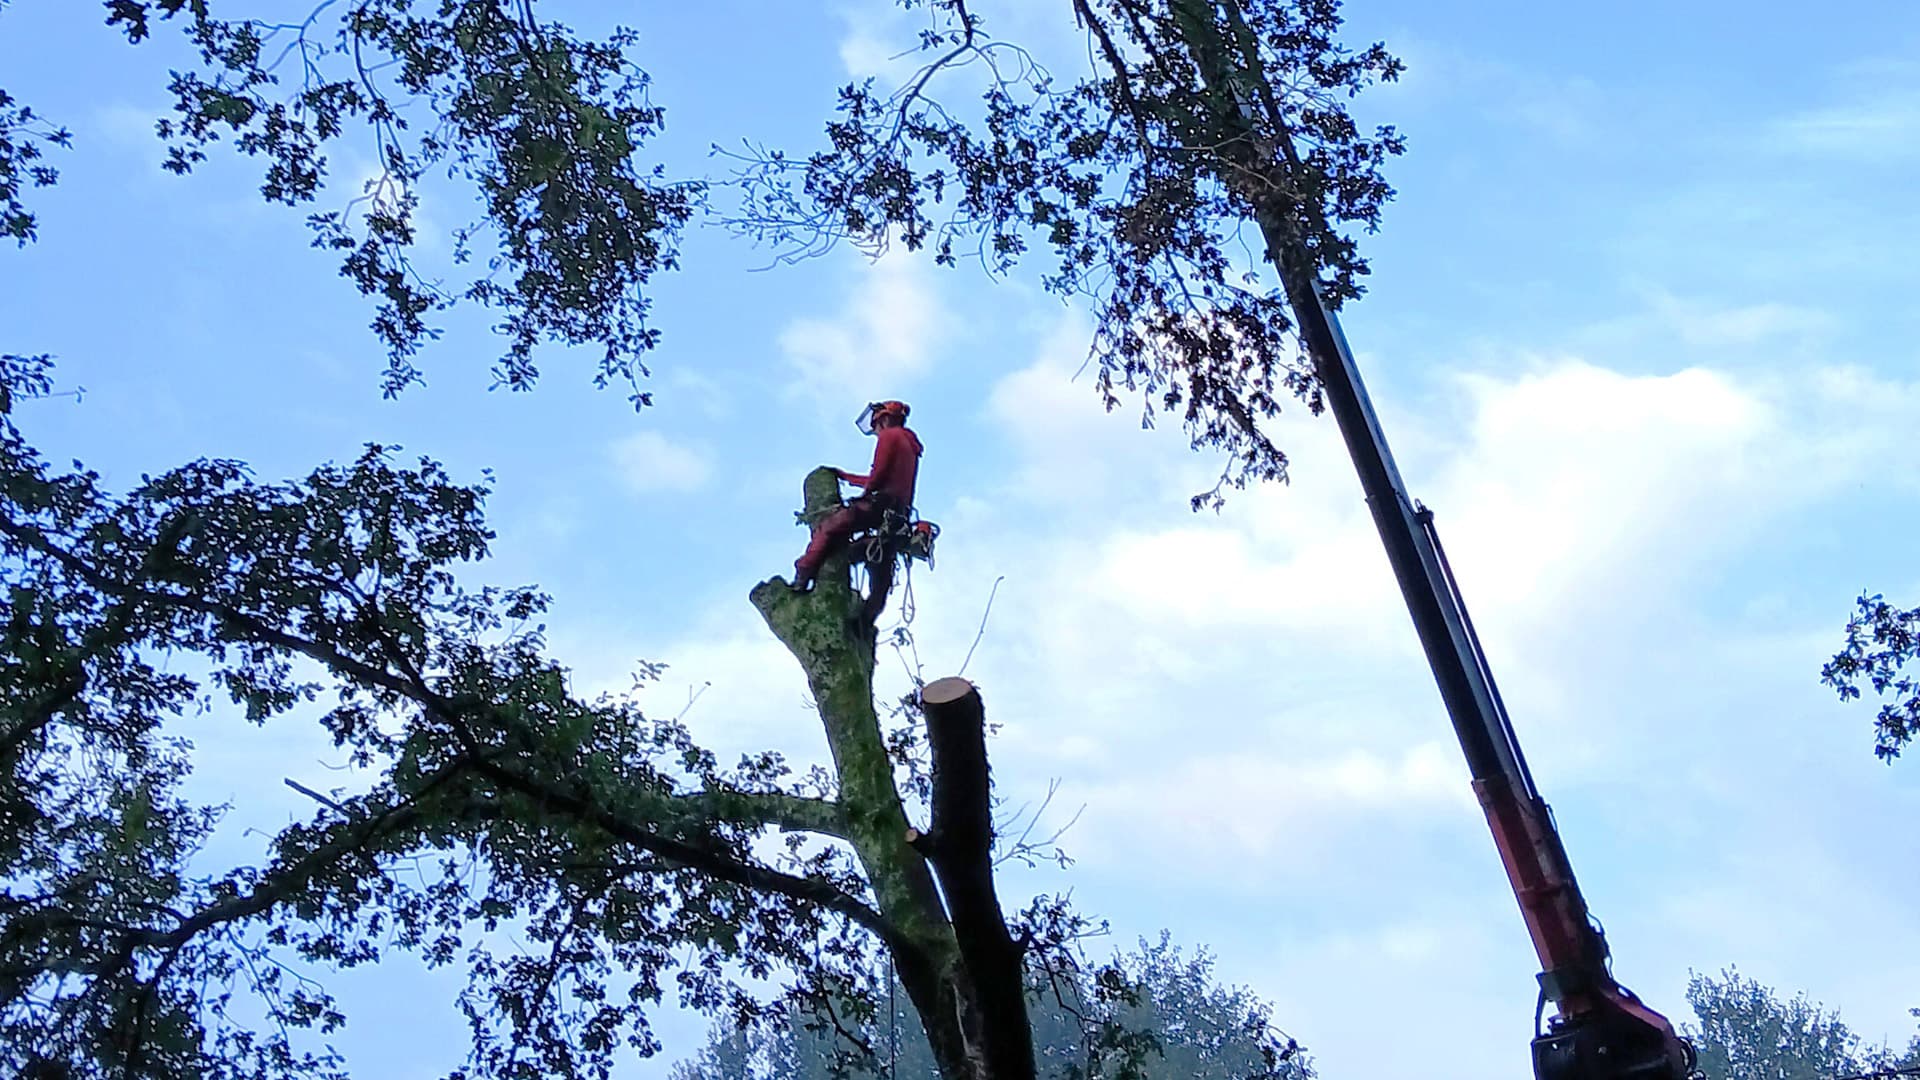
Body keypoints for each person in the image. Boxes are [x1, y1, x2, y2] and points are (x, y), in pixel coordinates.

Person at [791, 401, 923, 611]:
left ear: (885, 419)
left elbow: (878, 477)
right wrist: (847, 477)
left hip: (880, 506)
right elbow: (882, 478)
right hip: (898, 515)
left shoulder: (890, 437)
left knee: (828, 527)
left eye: (877, 425)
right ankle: (866, 619)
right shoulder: (910, 445)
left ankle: (803, 574)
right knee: (880, 576)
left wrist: (864, 497)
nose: (876, 431)